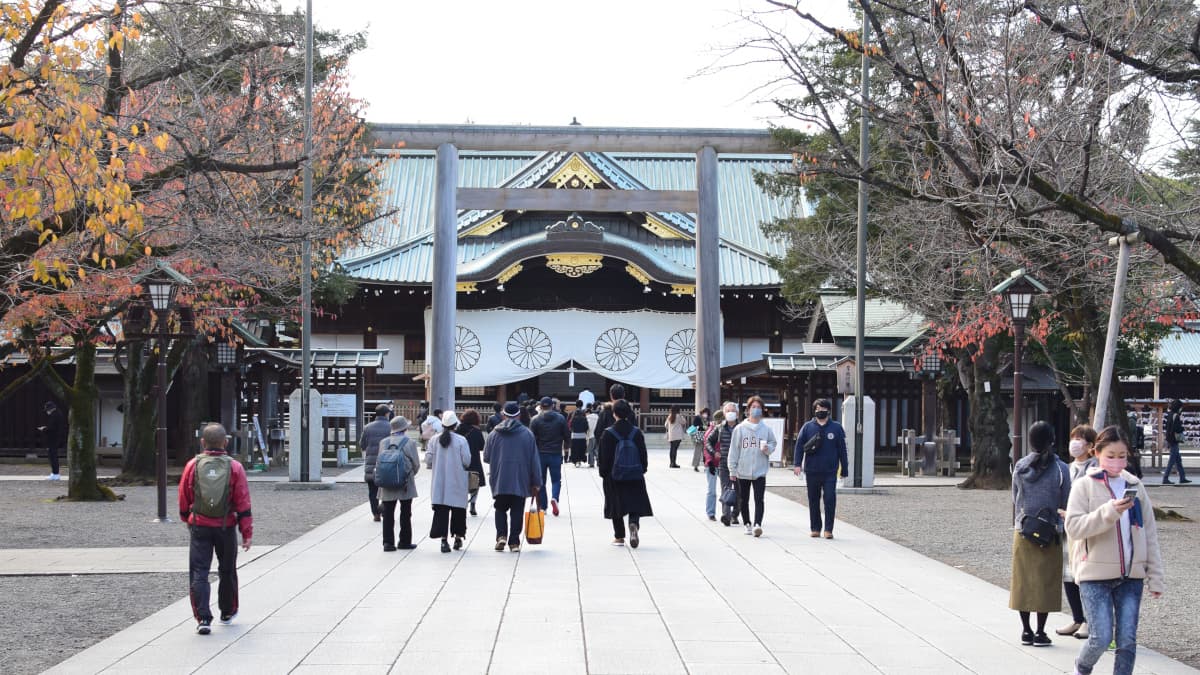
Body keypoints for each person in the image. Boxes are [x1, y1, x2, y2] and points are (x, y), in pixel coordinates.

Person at [1065, 425, 1165, 675]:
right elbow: (1074, 527)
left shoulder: (1135, 485)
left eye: (1122, 456)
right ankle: (1082, 666)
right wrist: (1109, 511)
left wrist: (1155, 576)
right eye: (1111, 455)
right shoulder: (1084, 485)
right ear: (1096, 452)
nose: (1117, 462)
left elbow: (1148, 533)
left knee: (1127, 640)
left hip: (1131, 576)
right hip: (1094, 574)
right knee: (1100, 637)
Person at [179, 423, 252, 635]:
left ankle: (203, 617)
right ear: (225, 442)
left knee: (199, 571)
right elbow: (243, 502)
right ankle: (227, 611)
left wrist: (187, 518)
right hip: (226, 526)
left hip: (199, 525)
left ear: (202, 442)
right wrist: (246, 533)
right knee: (227, 569)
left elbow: (184, 496)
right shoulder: (235, 467)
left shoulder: (193, 465)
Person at [1009, 420, 1071, 647]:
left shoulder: (1020, 466)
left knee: (1023, 582)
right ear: (1052, 441)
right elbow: (1066, 501)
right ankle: (1040, 631)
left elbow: (1015, 499)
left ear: (1030, 441)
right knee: (1046, 582)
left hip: (1023, 529)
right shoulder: (1061, 469)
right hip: (1050, 532)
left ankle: (1025, 631)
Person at [483, 402, 543, 552]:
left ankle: (501, 536)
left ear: (503, 415)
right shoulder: (527, 434)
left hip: (500, 477)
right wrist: (537, 481)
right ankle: (514, 542)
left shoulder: (493, 434)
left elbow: (486, 457)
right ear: (519, 415)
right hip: (520, 478)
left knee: (500, 508)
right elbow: (534, 460)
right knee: (517, 509)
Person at [1057, 424, 1098, 640]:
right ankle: (1077, 618)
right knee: (1068, 573)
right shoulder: (1066, 467)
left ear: (1091, 445)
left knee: (1084, 575)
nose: (1075, 443)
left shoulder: (1095, 469)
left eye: (1080, 439)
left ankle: (1090, 621)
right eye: (1074, 437)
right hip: (1067, 527)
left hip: (1085, 528)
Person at [598, 399, 653, 547]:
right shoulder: (636, 432)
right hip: (634, 473)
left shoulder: (608, 433)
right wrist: (643, 468)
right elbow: (643, 453)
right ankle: (633, 524)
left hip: (614, 475)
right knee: (634, 502)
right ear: (629, 413)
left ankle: (619, 536)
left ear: (614, 413)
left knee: (616, 504)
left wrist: (604, 473)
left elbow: (603, 457)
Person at [794, 399, 850, 539]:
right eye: (818, 408)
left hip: (830, 471)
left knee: (830, 499)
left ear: (829, 410)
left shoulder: (836, 428)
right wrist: (797, 464)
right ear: (814, 410)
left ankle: (828, 529)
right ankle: (815, 528)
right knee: (813, 499)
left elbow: (843, 450)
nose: (820, 410)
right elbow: (799, 446)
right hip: (812, 470)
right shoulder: (807, 427)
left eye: (823, 408)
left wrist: (845, 468)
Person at [727, 395, 776, 537]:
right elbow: (734, 450)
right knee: (744, 499)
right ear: (748, 410)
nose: (755, 410)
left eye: (758, 407)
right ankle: (747, 523)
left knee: (759, 499)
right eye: (753, 407)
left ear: (762, 410)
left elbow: (773, 443)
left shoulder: (766, 429)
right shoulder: (740, 429)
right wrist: (732, 469)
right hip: (743, 470)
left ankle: (757, 524)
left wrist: (768, 449)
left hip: (760, 470)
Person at [427, 411, 471, 553]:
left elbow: (428, 460)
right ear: (455, 425)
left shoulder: (434, 440)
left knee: (442, 512)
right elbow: (467, 460)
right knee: (458, 510)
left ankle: (443, 540)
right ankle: (458, 537)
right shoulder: (461, 440)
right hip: (457, 480)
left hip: (439, 481)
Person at [374, 416, 420, 552]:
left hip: (386, 481)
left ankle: (388, 543)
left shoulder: (383, 442)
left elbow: (379, 461)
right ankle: (404, 541)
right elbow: (416, 464)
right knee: (406, 513)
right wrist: (408, 475)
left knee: (388, 513)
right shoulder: (409, 443)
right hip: (405, 483)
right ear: (404, 428)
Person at [529, 396, 569, 516]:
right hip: (556, 453)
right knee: (556, 479)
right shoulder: (560, 418)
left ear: (541, 406)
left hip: (540, 454)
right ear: (552, 406)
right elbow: (567, 434)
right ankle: (555, 498)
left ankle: (543, 506)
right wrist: (566, 447)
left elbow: (531, 438)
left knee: (541, 481)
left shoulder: (535, 420)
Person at [359, 404, 393, 523]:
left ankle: (375, 513)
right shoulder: (391, 427)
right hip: (387, 463)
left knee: (372, 490)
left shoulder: (367, 427)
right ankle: (384, 510)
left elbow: (362, 445)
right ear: (386, 414)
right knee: (386, 490)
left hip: (371, 464)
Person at [709, 401, 740, 526]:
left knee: (739, 490)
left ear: (737, 413)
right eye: (728, 411)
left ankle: (735, 514)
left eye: (733, 411)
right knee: (725, 489)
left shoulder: (742, 427)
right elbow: (708, 442)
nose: (730, 413)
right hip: (724, 463)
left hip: (739, 464)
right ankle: (726, 515)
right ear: (724, 413)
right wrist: (713, 453)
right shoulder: (720, 428)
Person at [458, 409, 487, 516]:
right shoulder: (476, 431)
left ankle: (461, 503)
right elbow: (481, 446)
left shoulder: (458, 430)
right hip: (474, 460)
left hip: (460, 460)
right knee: (475, 483)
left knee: (461, 483)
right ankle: (473, 504)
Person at [699, 406, 721, 520]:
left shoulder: (725, 429)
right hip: (712, 464)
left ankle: (727, 512)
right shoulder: (711, 430)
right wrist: (709, 461)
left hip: (723, 463)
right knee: (712, 490)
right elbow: (706, 447)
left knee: (727, 489)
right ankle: (711, 512)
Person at [1162, 399, 1191, 484]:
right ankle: (1165, 478)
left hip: (1170, 439)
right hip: (1174, 440)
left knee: (1178, 460)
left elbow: (1168, 428)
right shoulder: (1176, 416)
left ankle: (1182, 477)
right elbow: (1177, 428)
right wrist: (1184, 428)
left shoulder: (1169, 415)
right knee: (1172, 460)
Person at [38, 400, 66, 481]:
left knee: (53, 456)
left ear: (50, 409)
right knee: (53, 456)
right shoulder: (58, 414)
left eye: (47, 410)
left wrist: (43, 429)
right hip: (56, 438)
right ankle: (54, 473)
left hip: (54, 438)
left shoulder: (55, 415)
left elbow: (51, 428)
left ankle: (55, 474)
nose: (46, 412)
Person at [567, 400, 590, 467]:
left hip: (574, 435)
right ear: (582, 405)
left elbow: (569, 424)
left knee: (574, 448)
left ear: (576, 405)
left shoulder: (572, 413)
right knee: (581, 448)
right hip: (582, 435)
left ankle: (575, 460)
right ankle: (579, 460)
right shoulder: (584, 413)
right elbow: (586, 426)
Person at [691, 407, 711, 472]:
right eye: (705, 413)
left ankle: (706, 465)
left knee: (706, 452)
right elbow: (694, 425)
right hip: (699, 436)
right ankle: (695, 466)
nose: (706, 414)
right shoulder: (697, 417)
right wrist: (701, 426)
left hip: (706, 436)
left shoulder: (707, 419)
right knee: (697, 451)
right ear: (702, 412)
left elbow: (709, 426)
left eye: (707, 414)